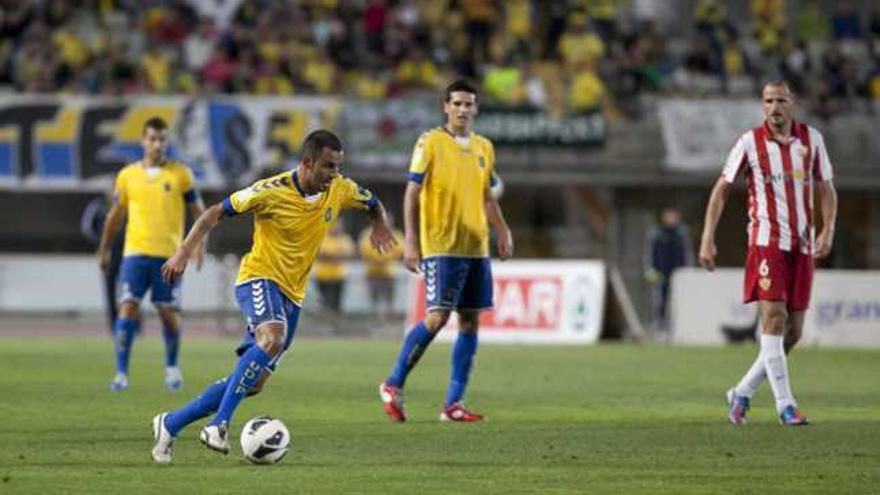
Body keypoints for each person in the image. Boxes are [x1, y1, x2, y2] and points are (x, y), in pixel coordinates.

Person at [151, 130, 396, 463]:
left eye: (338, 166)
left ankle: (171, 423)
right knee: (272, 339)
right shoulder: (270, 191)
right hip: (259, 278)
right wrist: (182, 252)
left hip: (292, 295)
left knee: (252, 383)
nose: (334, 173)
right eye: (327, 166)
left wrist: (381, 225)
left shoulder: (341, 188)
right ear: (306, 162)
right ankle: (218, 425)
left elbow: (372, 204)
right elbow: (213, 214)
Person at [699, 80, 837, 426]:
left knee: (792, 334)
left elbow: (827, 189)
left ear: (793, 104)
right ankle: (785, 405)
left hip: (802, 245)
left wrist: (827, 228)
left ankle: (742, 392)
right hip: (766, 242)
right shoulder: (749, 142)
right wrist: (707, 238)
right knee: (774, 319)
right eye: (768, 100)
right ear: (763, 106)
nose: (774, 107)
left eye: (781, 100)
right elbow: (721, 190)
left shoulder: (812, 140)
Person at [378, 79, 513, 423]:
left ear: (476, 108)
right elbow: (412, 192)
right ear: (446, 107)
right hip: (442, 245)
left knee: (469, 323)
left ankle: (453, 404)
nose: (463, 110)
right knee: (437, 318)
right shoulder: (430, 141)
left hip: (476, 247)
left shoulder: (484, 147)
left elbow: (486, 196)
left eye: (469, 104)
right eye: (457, 104)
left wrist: (502, 228)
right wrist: (411, 240)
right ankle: (393, 383)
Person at [96, 117, 205, 393]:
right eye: (153, 139)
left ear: (167, 142)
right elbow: (114, 216)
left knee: (166, 311)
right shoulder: (128, 175)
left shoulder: (181, 174)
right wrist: (104, 249)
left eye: (162, 139)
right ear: (143, 140)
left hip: (169, 256)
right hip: (135, 253)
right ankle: (121, 372)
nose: (157, 144)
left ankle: (171, 367)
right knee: (127, 307)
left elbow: (199, 213)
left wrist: (197, 247)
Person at [644, 207, 694, 340]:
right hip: (661, 274)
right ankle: (659, 329)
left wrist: (688, 271)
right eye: (669, 216)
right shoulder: (657, 234)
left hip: (678, 275)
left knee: (677, 303)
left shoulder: (681, 234)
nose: (671, 219)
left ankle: (676, 328)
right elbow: (650, 254)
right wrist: (650, 269)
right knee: (660, 302)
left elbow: (687, 254)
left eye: (674, 216)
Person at [81, 187, 126, 333]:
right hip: (108, 253)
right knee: (110, 290)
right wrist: (100, 246)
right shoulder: (98, 206)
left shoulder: (129, 205)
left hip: (128, 253)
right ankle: (114, 325)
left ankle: (133, 325)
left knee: (131, 291)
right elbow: (88, 228)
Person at [358, 216, 404, 321]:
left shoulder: (396, 235)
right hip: (372, 272)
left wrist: (386, 259)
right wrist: (377, 259)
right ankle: (375, 319)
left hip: (390, 272)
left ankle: (388, 319)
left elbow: (400, 252)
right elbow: (363, 250)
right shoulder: (368, 234)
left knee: (389, 298)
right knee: (374, 298)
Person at [313, 220, 355, 314]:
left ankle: (334, 321)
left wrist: (334, 256)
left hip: (339, 275)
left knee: (336, 303)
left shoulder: (345, 239)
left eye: (338, 226)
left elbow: (351, 254)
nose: (336, 228)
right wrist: (332, 257)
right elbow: (316, 254)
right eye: (334, 226)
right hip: (323, 276)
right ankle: (325, 320)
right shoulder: (322, 238)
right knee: (325, 302)